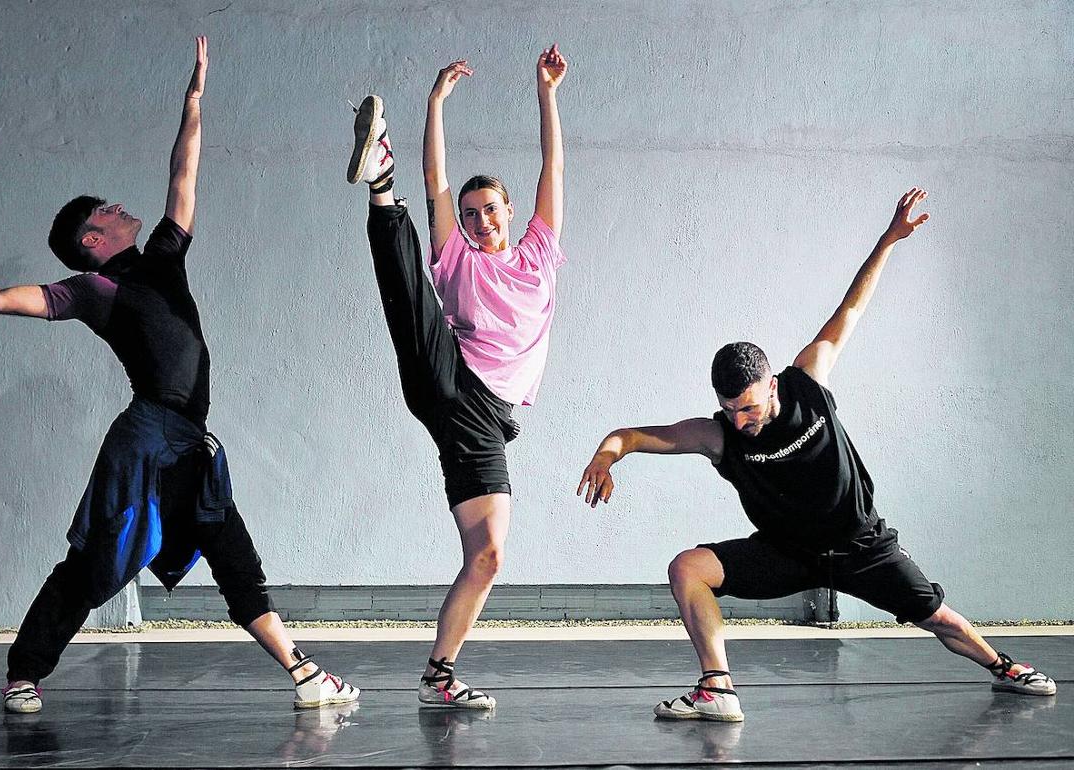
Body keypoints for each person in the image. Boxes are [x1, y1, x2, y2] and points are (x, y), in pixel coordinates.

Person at [0, 36, 358, 715]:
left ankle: (303, 675)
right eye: (109, 212)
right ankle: (23, 673)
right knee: (95, 567)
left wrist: (195, 100)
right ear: (94, 240)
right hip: (146, 443)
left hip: (189, 444)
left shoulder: (164, 258)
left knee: (235, 556)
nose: (123, 210)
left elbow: (184, 175)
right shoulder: (93, 290)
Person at [577, 189, 1056, 722]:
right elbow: (636, 435)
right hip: (787, 553)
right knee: (687, 567)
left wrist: (888, 240)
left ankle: (1006, 668)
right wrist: (606, 455)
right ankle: (717, 689)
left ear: (774, 386)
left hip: (861, 547)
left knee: (938, 618)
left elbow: (851, 306)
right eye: (729, 408)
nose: (741, 420)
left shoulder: (809, 381)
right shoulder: (719, 436)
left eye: (750, 407)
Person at [346, 45, 568, 708]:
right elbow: (438, 179)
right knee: (414, 293)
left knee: (488, 558)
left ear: (508, 211)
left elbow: (553, 166)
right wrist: (435, 104)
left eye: (490, 210)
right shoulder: (458, 259)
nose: (480, 221)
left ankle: (439, 674)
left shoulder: (539, 256)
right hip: (450, 374)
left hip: (486, 423)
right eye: (470, 215)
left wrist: (546, 91)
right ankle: (383, 185)